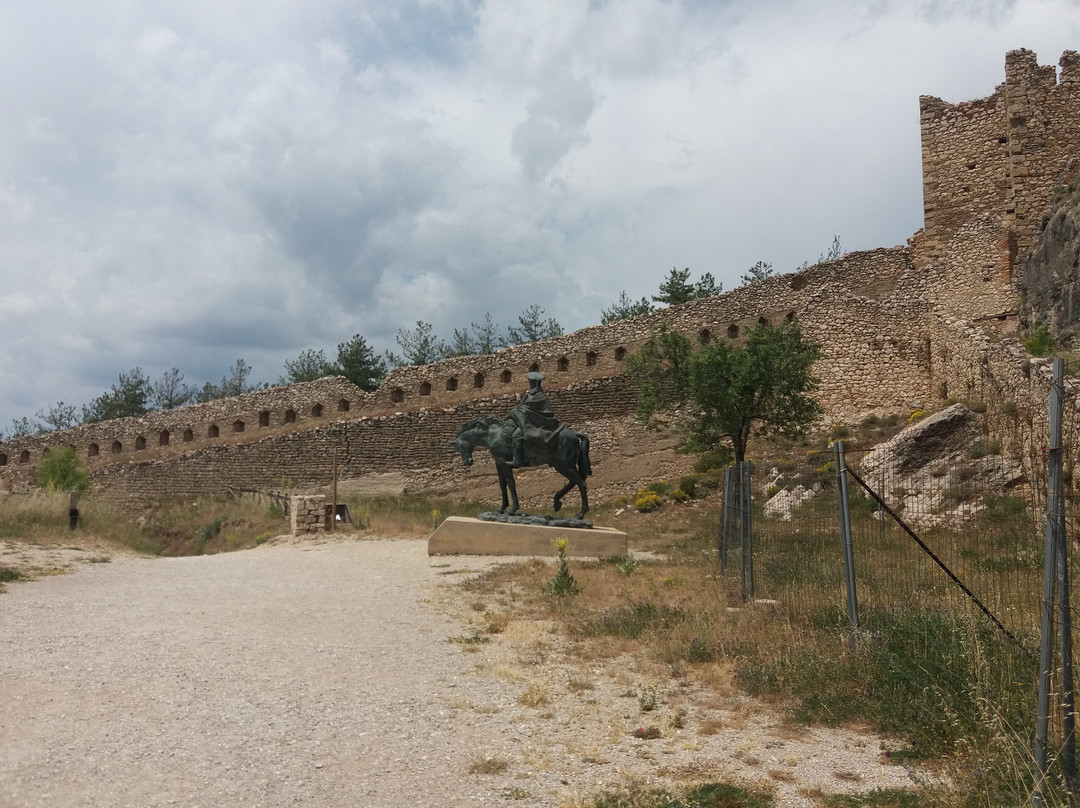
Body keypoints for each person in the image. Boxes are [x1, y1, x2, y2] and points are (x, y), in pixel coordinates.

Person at [506, 372, 562, 468]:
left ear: (535, 383)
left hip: (537, 421)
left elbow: (529, 409)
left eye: (531, 382)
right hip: (532, 418)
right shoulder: (532, 393)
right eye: (529, 381)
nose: (530, 383)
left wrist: (520, 410)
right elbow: (526, 407)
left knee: (516, 436)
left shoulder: (538, 394)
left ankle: (517, 460)